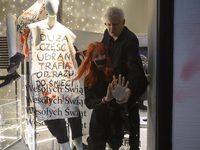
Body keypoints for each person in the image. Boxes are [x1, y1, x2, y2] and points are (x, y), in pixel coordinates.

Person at [27, 0, 84, 149]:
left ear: (58, 7)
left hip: (64, 80)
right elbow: (32, 59)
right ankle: (66, 145)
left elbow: (71, 58)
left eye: (54, 3)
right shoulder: (35, 29)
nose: (51, 6)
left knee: (72, 112)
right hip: (46, 81)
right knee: (53, 117)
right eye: (48, 3)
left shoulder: (65, 32)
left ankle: (78, 146)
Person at [101, 7, 148, 150]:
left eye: (114, 25)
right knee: (115, 115)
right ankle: (115, 144)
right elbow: (101, 50)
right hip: (116, 81)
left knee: (131, 110)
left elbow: (134, 68)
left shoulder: (130, 39)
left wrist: (129, 90)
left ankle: (134, 146)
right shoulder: (107, 33)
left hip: (132, 82)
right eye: (108, 24)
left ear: (123, 22)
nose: (111, 28)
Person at [74, 42, 129, 150]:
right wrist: (105, 100)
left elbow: (125, 97)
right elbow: (89, 103)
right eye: (96, 56)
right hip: (98, 121)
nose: (100, 58)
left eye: (102, 54)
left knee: (115, 145)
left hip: (116, 119)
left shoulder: (116, 73)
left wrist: (121, 97)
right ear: (91, 59)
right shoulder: (89, 78)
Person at [0, 0, 47, 88]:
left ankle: (13, 66)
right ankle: (13, 65)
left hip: (30, 36)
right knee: (10, 17)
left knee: (10, 17)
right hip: (26, 29)